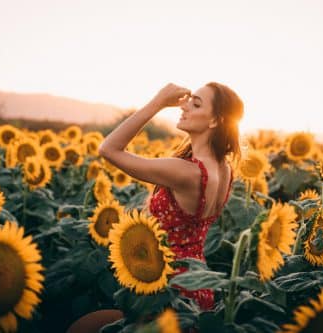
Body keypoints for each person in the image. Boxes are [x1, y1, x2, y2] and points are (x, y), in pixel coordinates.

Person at [67, 82, 243, 333]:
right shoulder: (224, 169)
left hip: (166, 291)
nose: (183, 106)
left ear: (215, 121)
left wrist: (157, 102)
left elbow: (108, 149)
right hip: (197, 287)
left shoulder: (185, 171)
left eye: (195, 104)